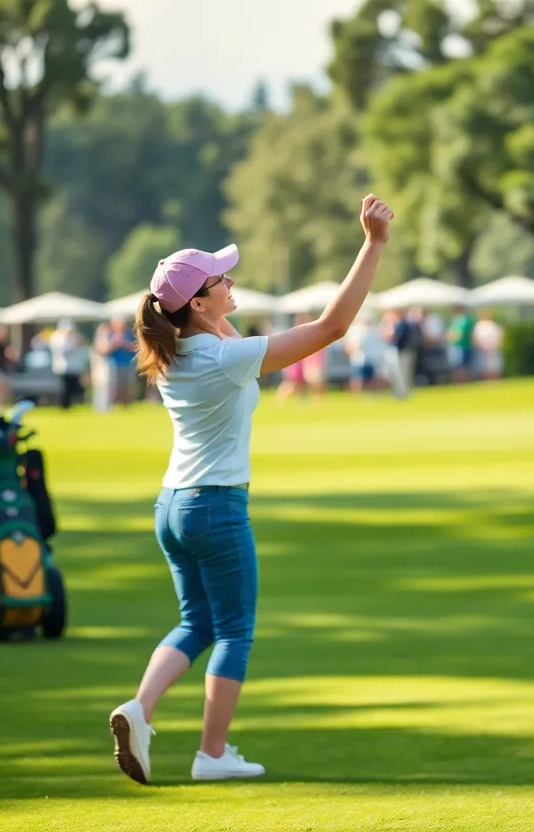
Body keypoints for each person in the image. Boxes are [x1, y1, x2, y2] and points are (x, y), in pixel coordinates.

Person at [108, 194, 394, 785]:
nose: (231, 279)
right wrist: (373, 245)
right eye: (220, 278)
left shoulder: (180, 349)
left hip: (172, 506)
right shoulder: (220, 357)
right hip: (215, 505)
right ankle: (212, 754)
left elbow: (224, 330)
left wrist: (214, 309)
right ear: (197, 299)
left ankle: (139, 709)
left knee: (196, 622)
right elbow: (332, 328)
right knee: (234, 629)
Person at [49, 318, 87, 410]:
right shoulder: (57, 337)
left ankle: (71, 405)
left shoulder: (75, 337)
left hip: (74, 367)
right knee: (64, 388)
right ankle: (64, 406)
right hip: (63, 367)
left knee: (73, 387)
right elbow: (61, 351)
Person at [472, 309, 504, 381]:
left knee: (494, 368)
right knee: (483, 369)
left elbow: (498, 338)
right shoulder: (479, 325)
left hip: (492, 351)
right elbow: (475, 338)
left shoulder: (493, 325)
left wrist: (491, 347)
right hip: (482, 351)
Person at [447, 305, 475, 383]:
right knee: (457, 367)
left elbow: (458, 335)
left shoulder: (464, 320)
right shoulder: (455, 320)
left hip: (463, 347)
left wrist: (451, 336)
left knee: (464, 368)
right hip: (456, 347)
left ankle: (464, 383)